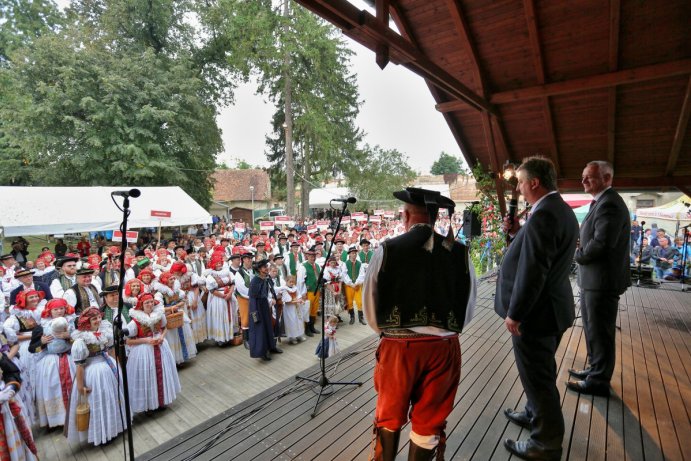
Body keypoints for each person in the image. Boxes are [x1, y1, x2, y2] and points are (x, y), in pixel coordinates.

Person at [363, 187, 475, 460]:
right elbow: (467, 308)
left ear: (405, 216)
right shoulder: (460, 253)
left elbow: (370, 304)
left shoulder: (387, 250)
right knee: (430, 418)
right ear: (435, 218)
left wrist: (389, 332)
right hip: (443, 349)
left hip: (399, 350)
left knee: (389, 414)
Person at [494, 156, 578, 461]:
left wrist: (515, 313)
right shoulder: (557, 210)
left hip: (537, 314)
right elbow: (540, 250)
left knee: (539, 379)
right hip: (554, 308)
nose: (518, 187)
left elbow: (534, 270)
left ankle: (546, 443)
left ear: (534, 183)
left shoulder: (544, 215)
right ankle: (533, 413)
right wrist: (517, 232)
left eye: (520, 181)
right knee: (540, 372)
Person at [570, 160, 631, 398]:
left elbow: (602, 243)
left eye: (590, 177)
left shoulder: (610, 204)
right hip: (593, 280)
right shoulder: (602, 202)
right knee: (593, 329)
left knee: (600, 331)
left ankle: (598, 381)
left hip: (601, 281)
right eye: (583, 176)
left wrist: (577, 255)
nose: (584, 180)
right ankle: (595, 370)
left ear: (606, 178)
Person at [66, 307, 127, 446]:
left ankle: (114, 427)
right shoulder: (81, 340)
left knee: (112, 397)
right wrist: (80, 386)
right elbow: (80, 365)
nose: (98, 320)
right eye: (94, 319)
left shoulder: (105, 331)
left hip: (108, 368)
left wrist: (118, 368)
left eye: (99, 317)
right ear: (87, 321)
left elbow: (111, 351)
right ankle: (102, 433)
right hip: (94, 372)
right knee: (98, 401)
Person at [125, 293, 181, 413]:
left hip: (161, 346)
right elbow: (128, 340)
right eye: (147, 303)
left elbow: (165, 327)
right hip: (144, 351)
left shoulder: (159, 315)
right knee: (148, 376)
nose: (150, 304)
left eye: (151, 302)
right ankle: (149, 405)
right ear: (141, 305)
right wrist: (146, 340)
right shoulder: (135, 321)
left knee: (162, 372)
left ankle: (162, 401)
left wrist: (162, 336)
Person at [29, 298, 76, 428]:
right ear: (50, 311)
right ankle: (59, 419)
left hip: (70, 358)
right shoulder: (41, 328)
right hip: (51, 363)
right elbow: (32, 349)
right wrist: (42, 343)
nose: (59, 311)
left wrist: (69, 337)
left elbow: (80, 342)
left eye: (62, 308)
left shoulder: (72, 323)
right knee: (54, 388)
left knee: (75, 384)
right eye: (56, 309)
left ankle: (76, 412)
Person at [248, 259, 283, 361]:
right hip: (259, 308)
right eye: (264, 267)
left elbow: (271, 290)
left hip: (269, 306)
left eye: (266, 267)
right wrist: (255, 314)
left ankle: (271, 346)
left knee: (271, 327)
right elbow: (253, 299)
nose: (267, 269)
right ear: (259, 269)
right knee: (261, 329)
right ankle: (263, 351)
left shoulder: (266, 278)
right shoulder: (255, 281)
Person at [343, 247, 367, 325]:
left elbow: (362, 274)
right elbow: (344, 274)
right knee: (350, 302)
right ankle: (352, 317)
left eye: (355, 253)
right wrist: (350, 283)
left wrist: (356, 283)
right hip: (349, 286)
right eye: (352, 253)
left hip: (357, 285)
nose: (354, 254)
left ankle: (361, 317)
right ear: (349, 254)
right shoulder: (345, 263)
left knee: (359, 301)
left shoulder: (359, 263)